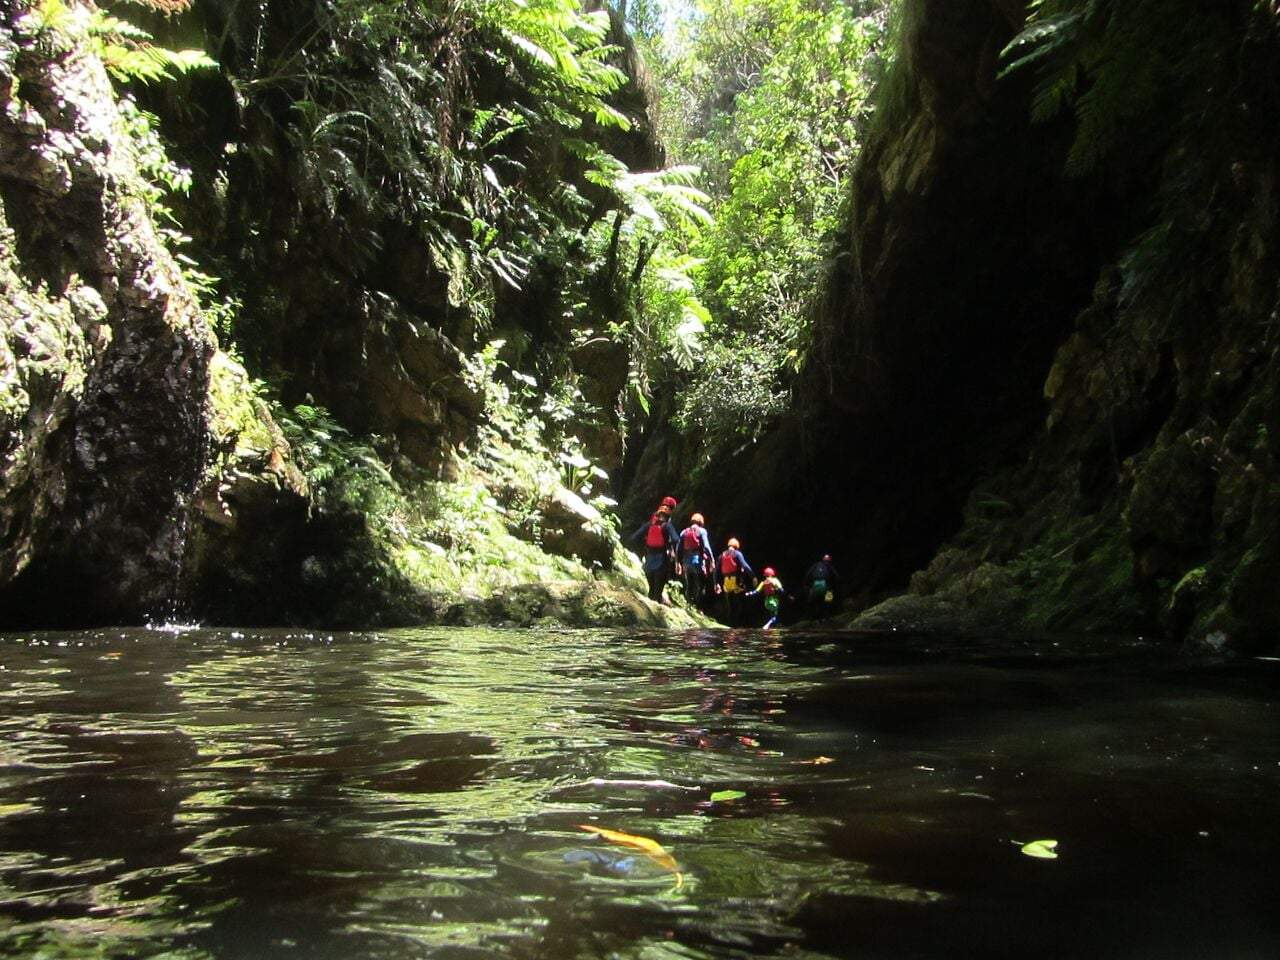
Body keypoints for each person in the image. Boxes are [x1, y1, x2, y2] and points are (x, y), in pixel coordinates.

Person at [630, 505, 678, 603]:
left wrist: (644, 546)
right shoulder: (667, 525)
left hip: (649, 560)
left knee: (651, 591)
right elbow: (676, 539)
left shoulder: (649, 525)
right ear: (668, 516)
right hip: (662, 560)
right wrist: (670, 548)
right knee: (658, 592)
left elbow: (634, 538)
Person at [677, 513, 715, 608]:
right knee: (700, 584)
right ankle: (698, 607)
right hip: (697, 560)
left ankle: (688, 605)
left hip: (686, 562)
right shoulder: (702, 531)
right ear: (701, 522)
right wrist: (712, 560)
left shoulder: (684, 532)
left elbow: (678, 549)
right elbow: (706, 547)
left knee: (689, 584)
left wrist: (678, 563)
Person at [716, 537, 754, 626]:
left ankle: (731, 625)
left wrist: (716, 583)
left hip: (726, 582)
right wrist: (753, 576)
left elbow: (716, 571)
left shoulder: (722, 555)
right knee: (742, 603)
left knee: (731, 605)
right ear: (736, 546)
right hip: (736, 582)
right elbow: (745, 566)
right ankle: (742, 624)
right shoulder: (737, 554)